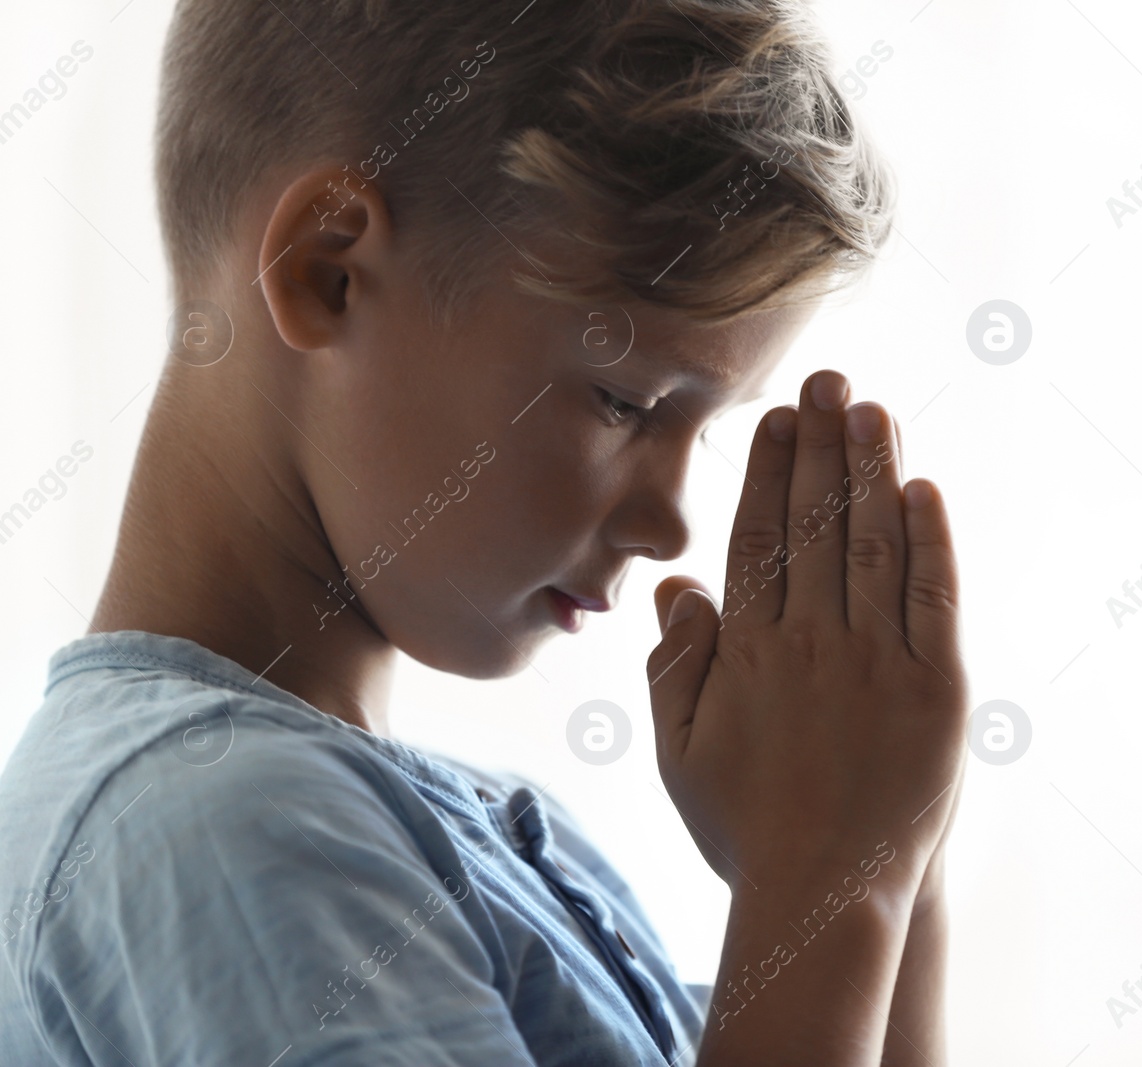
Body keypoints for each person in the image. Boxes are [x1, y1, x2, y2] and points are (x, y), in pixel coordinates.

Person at [0, 1, 969, 1064]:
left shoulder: (460, 837)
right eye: (623, 400)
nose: (669, 523)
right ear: (329, 272)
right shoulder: (217, 824)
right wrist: (827, 884)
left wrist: (890, 865)